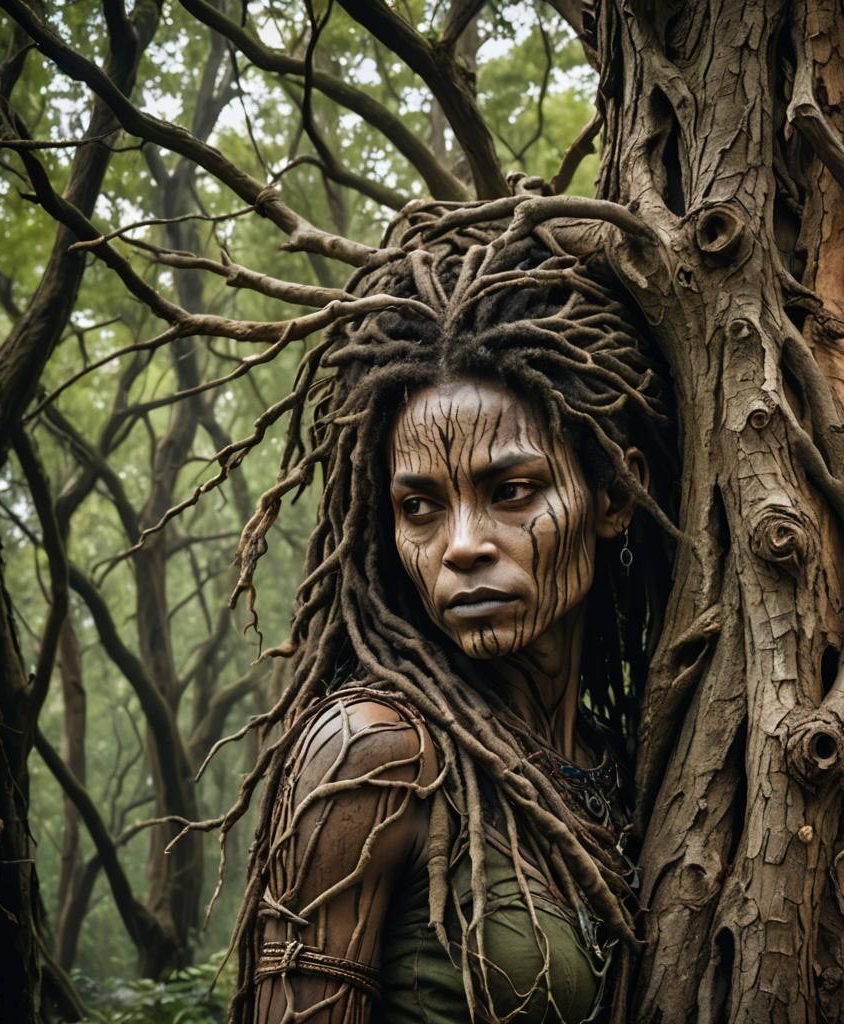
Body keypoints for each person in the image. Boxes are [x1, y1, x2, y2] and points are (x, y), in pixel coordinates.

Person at [228, 201, 676, 1024]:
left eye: (510, 492)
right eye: (421, 506)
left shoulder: (633, 765)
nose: (462, 545)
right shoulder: (373, 750)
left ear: (613, 494)